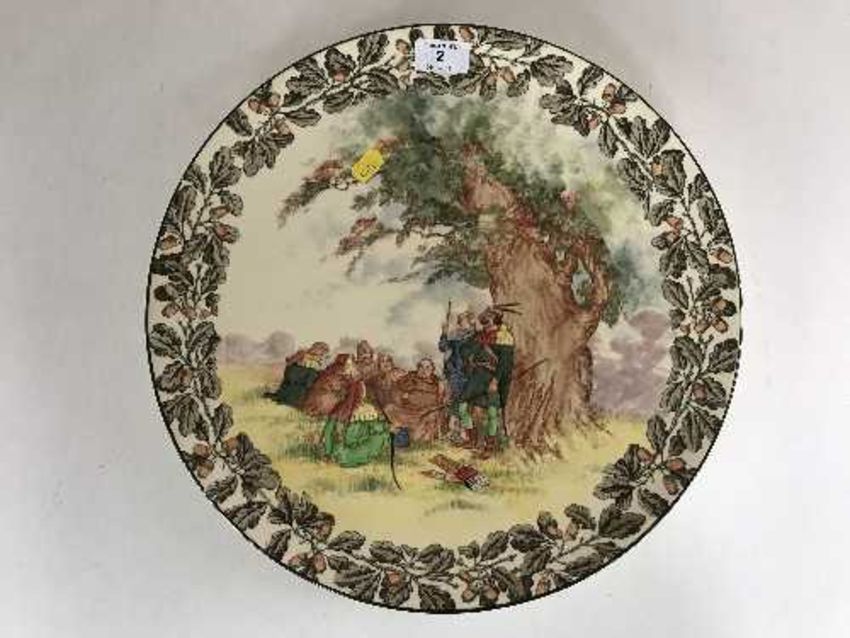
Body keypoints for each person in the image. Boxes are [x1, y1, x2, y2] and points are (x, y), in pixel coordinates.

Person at [321, 355, 392, 468]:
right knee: (335, 429)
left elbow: (360, 398)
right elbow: (341, 398)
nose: (351, 367)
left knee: (371, 430)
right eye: (348, 365)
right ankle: (335, 453)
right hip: (345, 410)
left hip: (354, 409)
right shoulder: (342, 380)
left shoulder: (358, 382)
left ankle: (344, 453)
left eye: (352, 364)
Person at [383, 358, 447, 443]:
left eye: (427, 367)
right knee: (389, 408)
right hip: (407, 411)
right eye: (421, 367)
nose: (424, 370)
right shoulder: (410, 377)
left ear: (432, 369)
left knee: (417, 436)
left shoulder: (436, 383)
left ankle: (407, 432)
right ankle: (400, 429)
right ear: (418, 368)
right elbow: (398, 388)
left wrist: (410, 397)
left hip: (424, 413)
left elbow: (432, 399)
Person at [438, 310, 475, 442]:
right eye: (460, 321)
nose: (460, 323)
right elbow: (443, 347)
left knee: (462, 404)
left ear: (470, 322)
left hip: (467, 374)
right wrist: (444, 332)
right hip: (454, 373)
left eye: (463, 321)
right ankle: (455, 432)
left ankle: (465, 434)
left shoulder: (474, 337)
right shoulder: (455, 336)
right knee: (454, 402)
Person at [269, 341, 329, 408]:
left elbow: (319, 369)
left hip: (307, 378)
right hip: (298, 374)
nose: (322, 354)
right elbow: (290, 362)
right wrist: (295, 363)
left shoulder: (320, 360)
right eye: (322, 351)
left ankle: (295, 401)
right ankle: (286, 399)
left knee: (307, 382)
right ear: (315, 348)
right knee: (298, 382)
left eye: (324, 353)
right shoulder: (303, 353)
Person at [301, 353, 351, 418]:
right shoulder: (331, 371)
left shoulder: (345, 377)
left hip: (329, 397)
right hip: (321, 394)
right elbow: (322, 382)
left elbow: (342, 388)